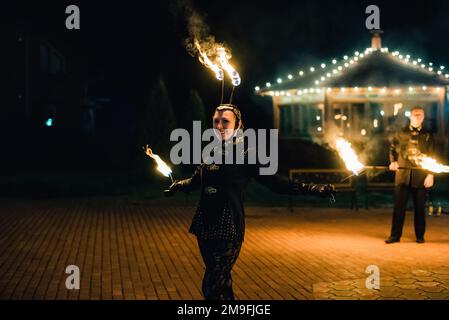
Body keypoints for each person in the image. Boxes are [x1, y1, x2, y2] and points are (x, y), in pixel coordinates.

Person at [164, 104, 336, 300]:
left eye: (225, 122)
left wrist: (312, 188)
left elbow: (275, 182)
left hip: (228, 226)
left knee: (212, 285)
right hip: (204, 225)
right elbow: (196, 181)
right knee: (221, 281)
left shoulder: (247, 153)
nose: (219, 126)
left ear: (238, 125)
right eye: (216, 121)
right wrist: (178, 185)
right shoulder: (210, 152)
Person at [385, 106, 435, 244]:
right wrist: (393, 161)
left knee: (420, 209)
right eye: (415, 114)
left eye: (420, 115)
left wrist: (430, 174)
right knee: (399, 208)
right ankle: (395, 236)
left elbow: (433, 155)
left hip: (420, 177)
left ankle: (420, 236)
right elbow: (392, 149)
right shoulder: (401, 133)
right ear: (410, 117)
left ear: (423, 117)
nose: (418, 117)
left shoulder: (428, 135)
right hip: (403, 175)